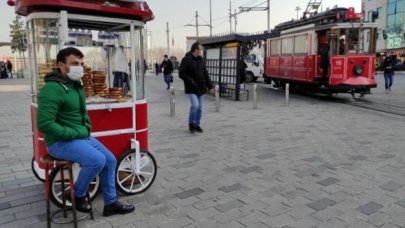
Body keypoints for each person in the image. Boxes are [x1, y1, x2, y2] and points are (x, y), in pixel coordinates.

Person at [36, 47, 135, 216]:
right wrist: (73, 133)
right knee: (97, 160)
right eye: (74, 63)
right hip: (60, 142)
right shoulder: (52, 89)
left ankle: (110, 203)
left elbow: (81, 112)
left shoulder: (75, 84)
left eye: (81, 63)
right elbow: (44, 124)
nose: (79, 67)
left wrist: (85, 127)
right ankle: (77, 194)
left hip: (81, 136)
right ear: (61, 65)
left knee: (110, 160)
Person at [179, 42, 214, 134]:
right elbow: (181, 73)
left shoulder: (201, 60)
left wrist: (210, 86)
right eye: (200, 49)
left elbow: (205, 74)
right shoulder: (186, 59)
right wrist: (190, 80)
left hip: (201, 87)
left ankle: (196, 124)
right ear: (195, 50)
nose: (201, 51)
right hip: (191, 87)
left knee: (200, 108)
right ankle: (191, 124)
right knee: (195, 105)